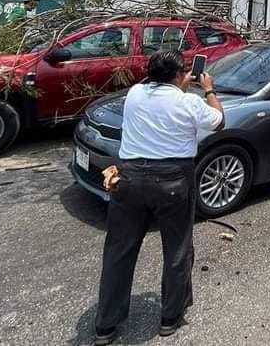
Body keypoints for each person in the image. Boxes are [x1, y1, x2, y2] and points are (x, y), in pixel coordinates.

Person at [93, 50, 224, 345]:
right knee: (176, 249)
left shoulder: (136, 93)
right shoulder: (188, 101)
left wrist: (177, 82)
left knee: (119, 251)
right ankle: (170, 318)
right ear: (180, 75)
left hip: (129, 179)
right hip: (173, 179)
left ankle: (106, 326)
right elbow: (219, 122)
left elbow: (159, 91)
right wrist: (208, 89)